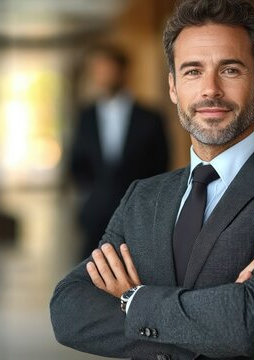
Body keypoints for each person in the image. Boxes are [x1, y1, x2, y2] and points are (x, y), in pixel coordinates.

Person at [51, 0, 254, 359]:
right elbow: (68, 311)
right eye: (192, 71)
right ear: (173, 86)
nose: (210, 89)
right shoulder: (143, 197)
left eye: (231, 70)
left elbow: (246, 324)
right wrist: (212, 324)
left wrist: (132, 298)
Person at [69, 45, 169, 259]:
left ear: (123, 71)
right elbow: (77, 161)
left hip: (138, 214)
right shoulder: (85, 116)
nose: (102, 75)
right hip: (95, 214)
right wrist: (89, 193)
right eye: (98, 70)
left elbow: (161, 165)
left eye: (107, 68)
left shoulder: (150, 117)